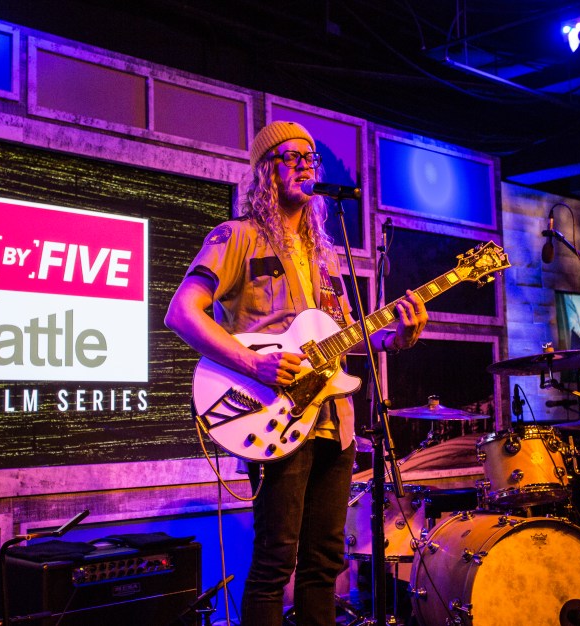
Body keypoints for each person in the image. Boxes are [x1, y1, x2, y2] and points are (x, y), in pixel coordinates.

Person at [165, 120, 427, 626]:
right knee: (274, 561)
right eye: (291, 156)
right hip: (274, 415)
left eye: (311, 156)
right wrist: (253, 362)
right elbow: (182, 312)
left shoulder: (325, 256)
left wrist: (397, 334)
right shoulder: (236, 237)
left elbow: (356, 335)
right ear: (266, 171)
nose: (307, 163)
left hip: (336, 420)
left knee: (325, 561)